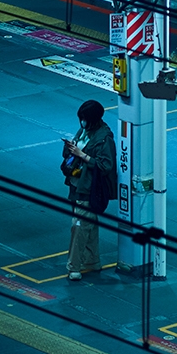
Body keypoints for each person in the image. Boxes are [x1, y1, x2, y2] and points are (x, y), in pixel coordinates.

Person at [60, 98, 116, 280]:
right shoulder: (84, 130)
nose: (81, 122)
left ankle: (73, 266)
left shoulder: (104, 138)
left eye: (84, 118)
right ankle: (92, 261)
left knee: (79, 227)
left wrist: (82, 155)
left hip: (89, 188)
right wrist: (70, 149)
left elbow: (106, 165)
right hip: (76, 184)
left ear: (93, 118)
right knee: (88, 225)